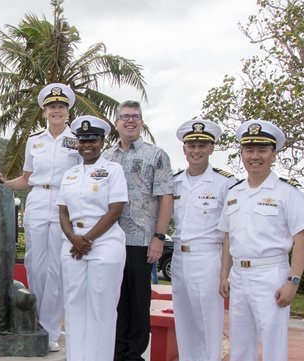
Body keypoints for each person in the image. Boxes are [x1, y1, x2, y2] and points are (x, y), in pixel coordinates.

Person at [0, 82, 81, 352]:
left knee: (57, 268)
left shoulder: (77, 141)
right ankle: (36, 321)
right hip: (38, 201)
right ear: (44, 111)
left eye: (61, 107)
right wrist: (3, 183)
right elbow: (27, 180)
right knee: (34, 265)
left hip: (65, 204)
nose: (56, 110)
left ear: (67, 111)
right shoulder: (35, 141)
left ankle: (50, 330)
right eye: (52, 107)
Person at [218, 120, 304, 360]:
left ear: (273, 154)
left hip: (271, 274)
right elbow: (229, 236)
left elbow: (302, 239)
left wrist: (293, 282)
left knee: (272, 343)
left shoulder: (286, 192)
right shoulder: (235, 192)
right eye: (249, 150)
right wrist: (224, 275)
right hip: (239, 276)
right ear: (242, 154)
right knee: (240, 344)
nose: (255, 156)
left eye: (262, 150)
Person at [102, 100, 173, 361]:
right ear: (117, 123)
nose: (130, 120)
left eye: (135, 116)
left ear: (142, 122)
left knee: (139, 301)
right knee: (116, 299)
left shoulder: (156, 155)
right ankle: (116, 352)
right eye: (125, 116)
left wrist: (158, 237)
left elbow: (166, 196)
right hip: (110, 239)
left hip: (142, 239)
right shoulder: (106, 157)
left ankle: (134, 355)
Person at [57, 116, 128, 361]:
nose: (87, 145)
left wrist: (85, 239)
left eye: (93, 140)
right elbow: (63, 211)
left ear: (102, 141)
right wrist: (73, 238)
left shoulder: (113, 170)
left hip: (105, 243)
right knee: (74, 305)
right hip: (72, 243)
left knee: (101, 307)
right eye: (82, 140)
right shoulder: (70, 174)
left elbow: (115, 210)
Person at [171, 119, 236, 361]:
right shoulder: (175, 181)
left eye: (202, 145)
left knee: (208, 323)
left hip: (208, 257)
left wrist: (224, 273)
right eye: (191, 145)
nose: (196, 150)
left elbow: (231, 230)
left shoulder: (225, 183)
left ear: (211, 148)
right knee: (184, 321)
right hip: (179, 257)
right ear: (184, 149)